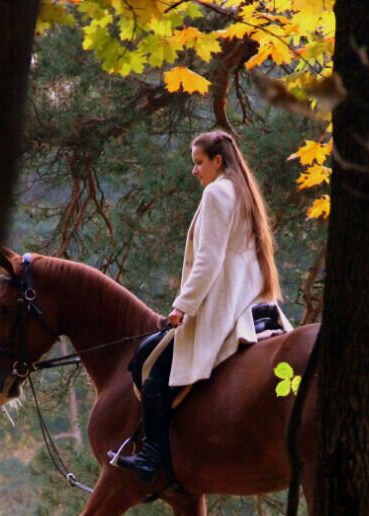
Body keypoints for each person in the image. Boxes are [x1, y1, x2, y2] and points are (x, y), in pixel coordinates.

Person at [113, 130, 292, 485]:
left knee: (149, 363)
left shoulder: (217, 192)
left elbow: (208, 262)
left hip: (224, 305)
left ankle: (151, 456)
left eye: (198, 163)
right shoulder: (244, 193)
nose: (195, 171)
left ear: (217, 162)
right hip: (253, 300)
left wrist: (183, 306)